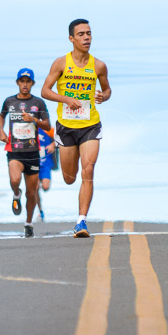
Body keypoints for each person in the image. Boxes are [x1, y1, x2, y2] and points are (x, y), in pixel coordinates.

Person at [40, 19, 111, 238]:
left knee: (88, 170)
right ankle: (69, 169)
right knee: (70, 177)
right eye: (81, 34)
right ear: (71, 38)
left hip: (90, 125)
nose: (86, 38)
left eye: (89, 33)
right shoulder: (61, 63)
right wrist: (65, 99)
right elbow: (45, 90)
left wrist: (103, 96)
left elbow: (108, 90)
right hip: (66, 127)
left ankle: (81, 221)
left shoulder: (98, 65)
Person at [0, 68, 51, 237]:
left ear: (32, 84)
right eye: (22, 81)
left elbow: (48, 125)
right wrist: (1, 130)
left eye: (28, 81)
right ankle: (15, 193)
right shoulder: (9, 101)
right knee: (14, 179)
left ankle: (28, 222)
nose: (25, 84)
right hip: (15, 150)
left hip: (32, 152)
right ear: (17, 83)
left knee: (31, 192)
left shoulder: (39, 103)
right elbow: (1, 116)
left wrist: (34, 119)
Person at [35, 126, 56, 221]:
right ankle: (40, 211)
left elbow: (61, 137)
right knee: (35, 188)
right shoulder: (28, 128)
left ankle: (40, 210)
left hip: (46, 163)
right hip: (33, 163)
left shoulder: (48, 129)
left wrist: (53, 144)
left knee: (46, 187)